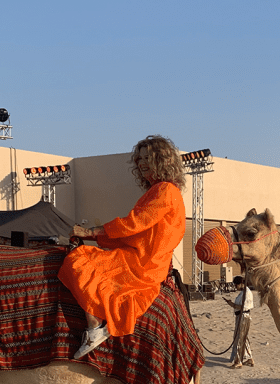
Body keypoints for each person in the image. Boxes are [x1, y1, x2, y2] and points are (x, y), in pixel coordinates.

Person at [58, 135, 187, 359]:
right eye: (140, 158)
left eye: (148, 158)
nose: (142, 163)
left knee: (77, 260)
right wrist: (96, 236)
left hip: (142, 263)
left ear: (162, 161)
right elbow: (134, 233)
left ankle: (95, 325)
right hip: (143, 258)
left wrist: (90, 232)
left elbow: (134, 224)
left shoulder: (165, 191)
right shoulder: (160, 191)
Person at [225, 275, 254, 368]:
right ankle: (249, 358)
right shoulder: (242, 293)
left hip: (244, 317)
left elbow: (244, 307)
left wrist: (232, 304)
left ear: (241, 284)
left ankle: (238, 361)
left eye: (236, 285)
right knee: (243, 338)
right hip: (240, 316)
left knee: (240, 339)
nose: (236, 287)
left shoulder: (247, 293)